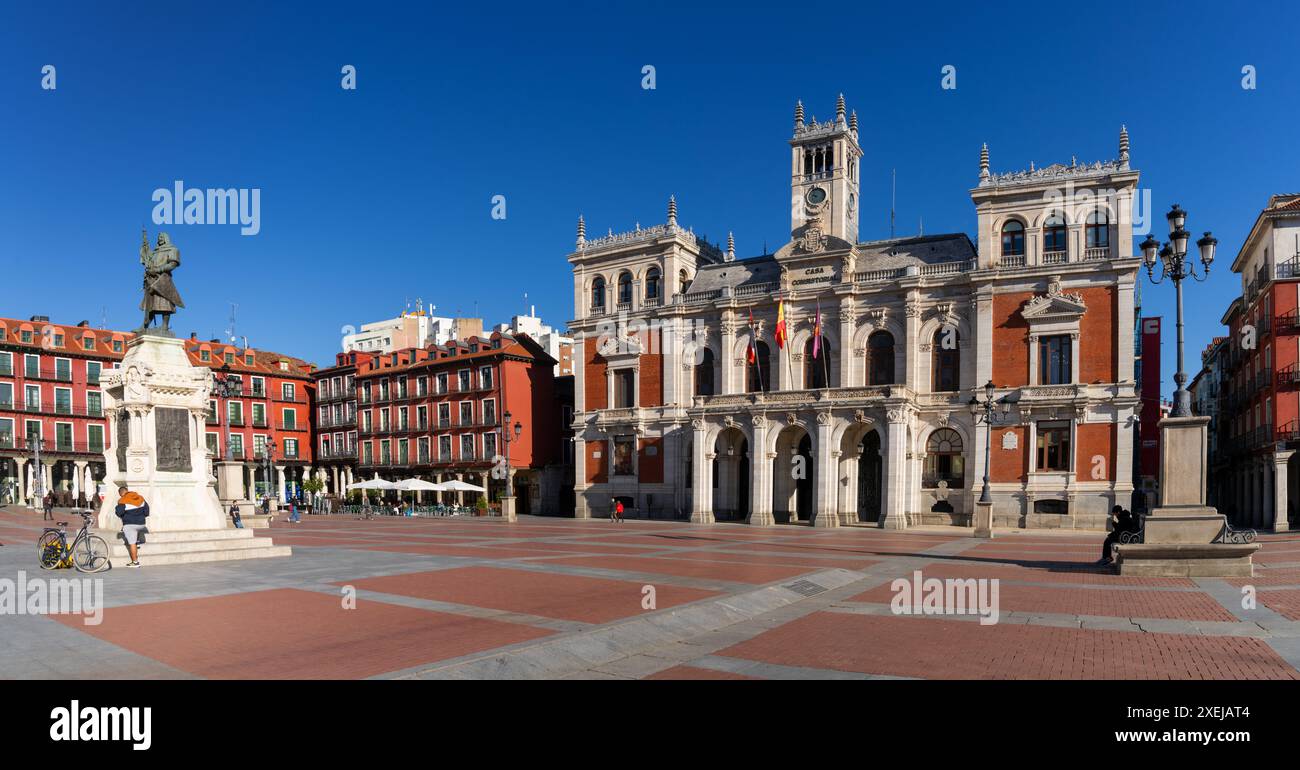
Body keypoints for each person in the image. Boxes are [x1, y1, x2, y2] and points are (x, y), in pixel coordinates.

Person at [114, 485, 150, 568]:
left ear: (121, 494)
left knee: (132, 542)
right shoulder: (140, 498)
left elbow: (119, 513)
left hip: (130, 524)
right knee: (134, 529)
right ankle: (136, 539)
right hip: (141, 524)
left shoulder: (122, 500)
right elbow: (147, 511)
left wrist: (118, 507)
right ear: (127, 491)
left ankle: (135, 562)